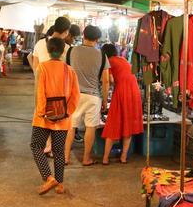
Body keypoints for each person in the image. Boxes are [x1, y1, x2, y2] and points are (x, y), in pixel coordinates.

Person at [31, 37, 79, 195]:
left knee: (36, 146)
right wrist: (67, 112)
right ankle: (60, 185)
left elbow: (39, 92)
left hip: (43, 118)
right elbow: (75, 95)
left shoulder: (42, 67)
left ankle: (49, 177)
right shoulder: (70, 70)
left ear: (48, 50)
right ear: (64, 51)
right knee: (59, 151)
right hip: (63, 118)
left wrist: (42, 112)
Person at [64, 25, 109, 166]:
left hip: (74, 94)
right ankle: (86, 159)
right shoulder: (102, 55)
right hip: (93, 96)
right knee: (91, 127)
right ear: (97, 39)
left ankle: (65, 157)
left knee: (71, 126)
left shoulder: (71, 51)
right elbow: (106, 81)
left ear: (83, 35)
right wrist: (105, 100)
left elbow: (66, 73)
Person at [100, 43, 143, 164]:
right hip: (134, 92)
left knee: (113, 123)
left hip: (122, 92)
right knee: (128, 124)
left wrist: (105, 97)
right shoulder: (122, 59)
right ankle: (123, 157)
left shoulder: (109, 62)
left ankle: (105, 158)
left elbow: (109, 80)